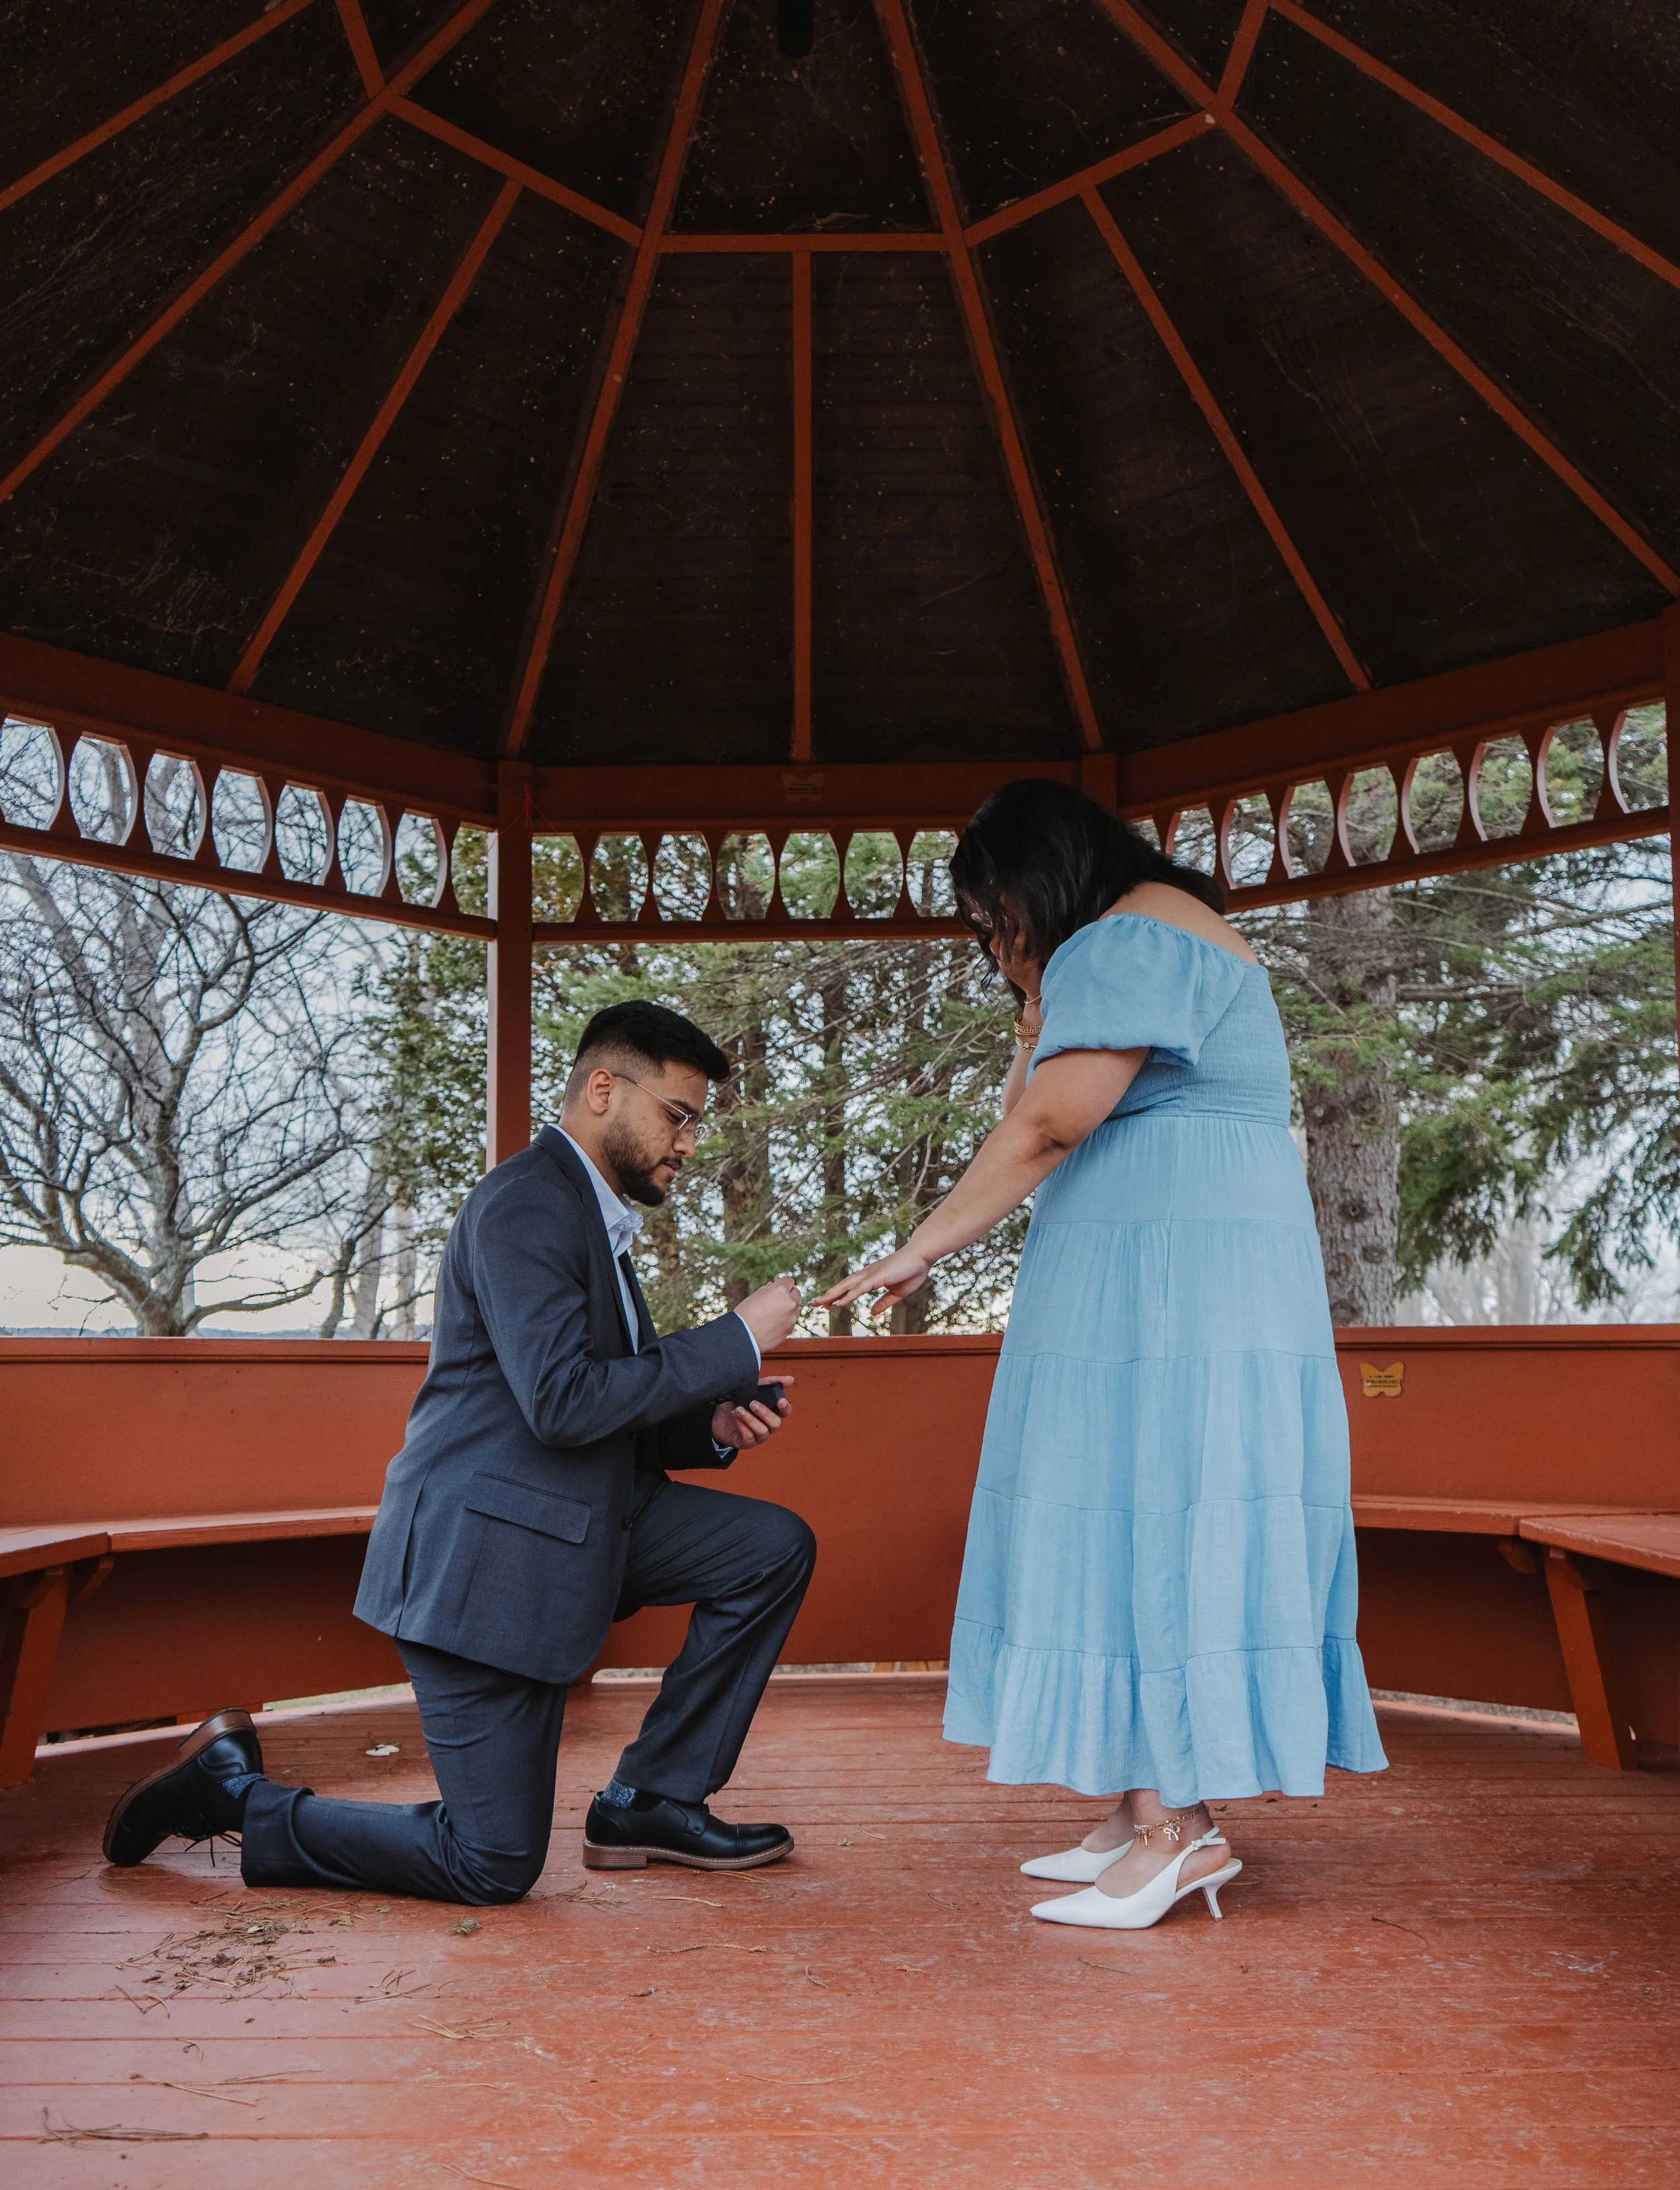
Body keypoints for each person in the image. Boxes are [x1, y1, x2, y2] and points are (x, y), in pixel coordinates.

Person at [818, 779, 1386, 1931]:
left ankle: (1180, 1830)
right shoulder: (1146, 936)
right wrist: (1032, 1015)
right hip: (1170, 1277)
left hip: (1171, 1288)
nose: (994, 945)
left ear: (1036, 876)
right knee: (1129, 1505)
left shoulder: (1130, 934)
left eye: (993, 917)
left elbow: (1046, 1124)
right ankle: (1138, 1812)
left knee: (1157, 1508)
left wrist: (914, 1249)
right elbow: (1038, 1097)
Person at [104, 1002, 816, 1900]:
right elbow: (563, 1402)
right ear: (604, 1089)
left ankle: (650, 1797)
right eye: (678, 1114)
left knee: (770, 1548)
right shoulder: (524, 1203)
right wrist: (735, 1340)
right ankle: (236, 1793)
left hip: (576, 1520)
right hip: (486, 1562)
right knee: (493, 1862)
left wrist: (705, 1426)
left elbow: (596, 1395)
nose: (688, 1141)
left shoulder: (592, 1220)